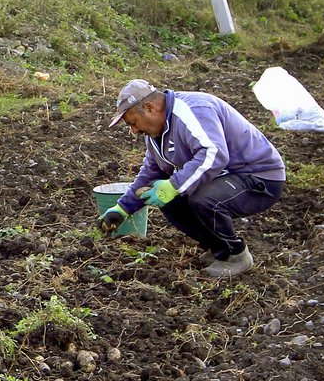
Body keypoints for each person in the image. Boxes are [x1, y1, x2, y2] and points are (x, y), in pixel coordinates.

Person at [99, 80, 286, 277]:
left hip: (259, 177)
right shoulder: (155, 135)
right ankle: (218, 248)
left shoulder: (192, 110)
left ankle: (235, 255)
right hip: (226, 177)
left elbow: (214, 154)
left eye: (133, 123)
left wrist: (174, 185)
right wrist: (122, 209)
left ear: (149, 107)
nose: (134, 131)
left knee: (200, 198)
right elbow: (151, 173)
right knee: (168, 198)